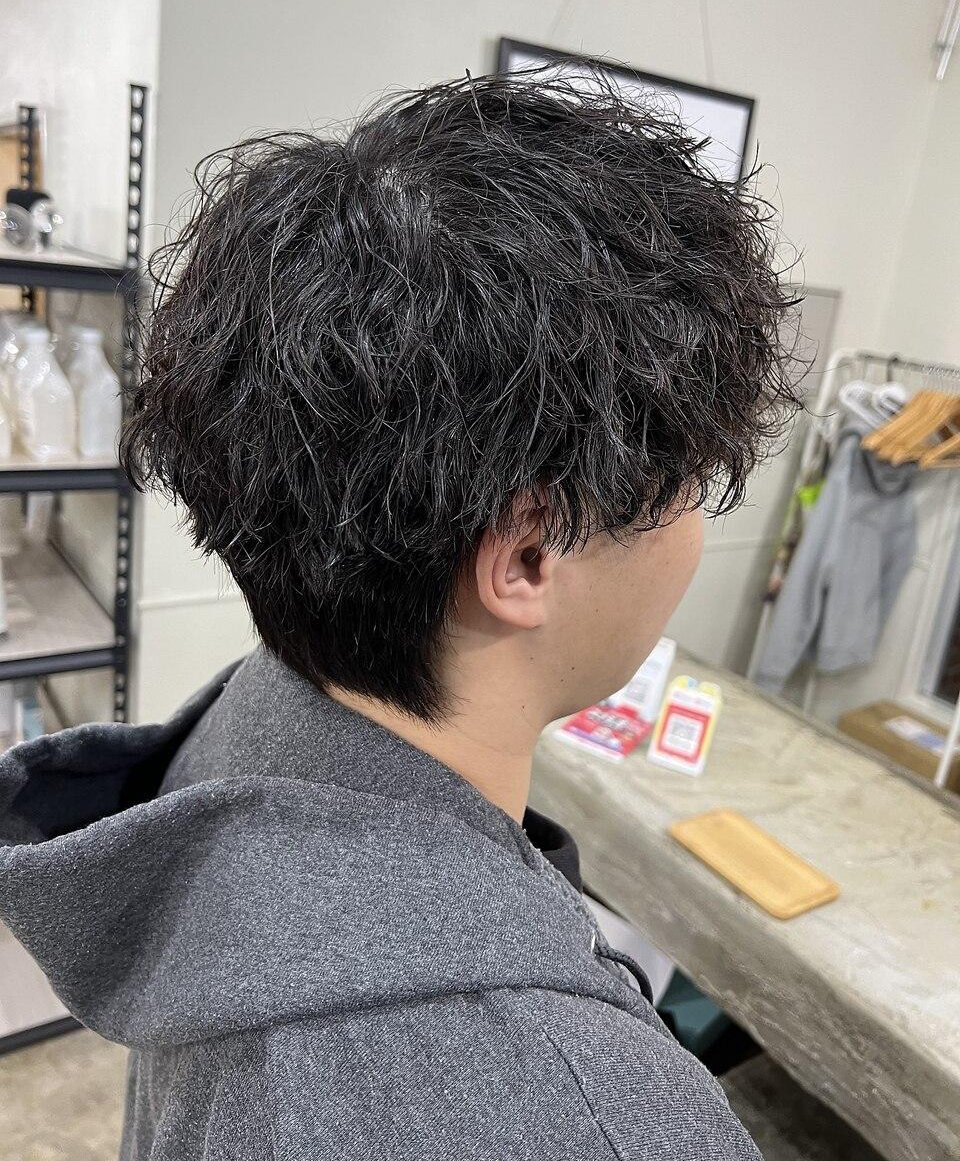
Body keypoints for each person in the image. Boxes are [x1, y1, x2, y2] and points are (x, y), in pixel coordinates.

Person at [0, 70, 798, 1159]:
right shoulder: (606, 1121)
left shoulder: (243, 739)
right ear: (530, 552)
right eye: (692, 486)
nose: (696, 526)